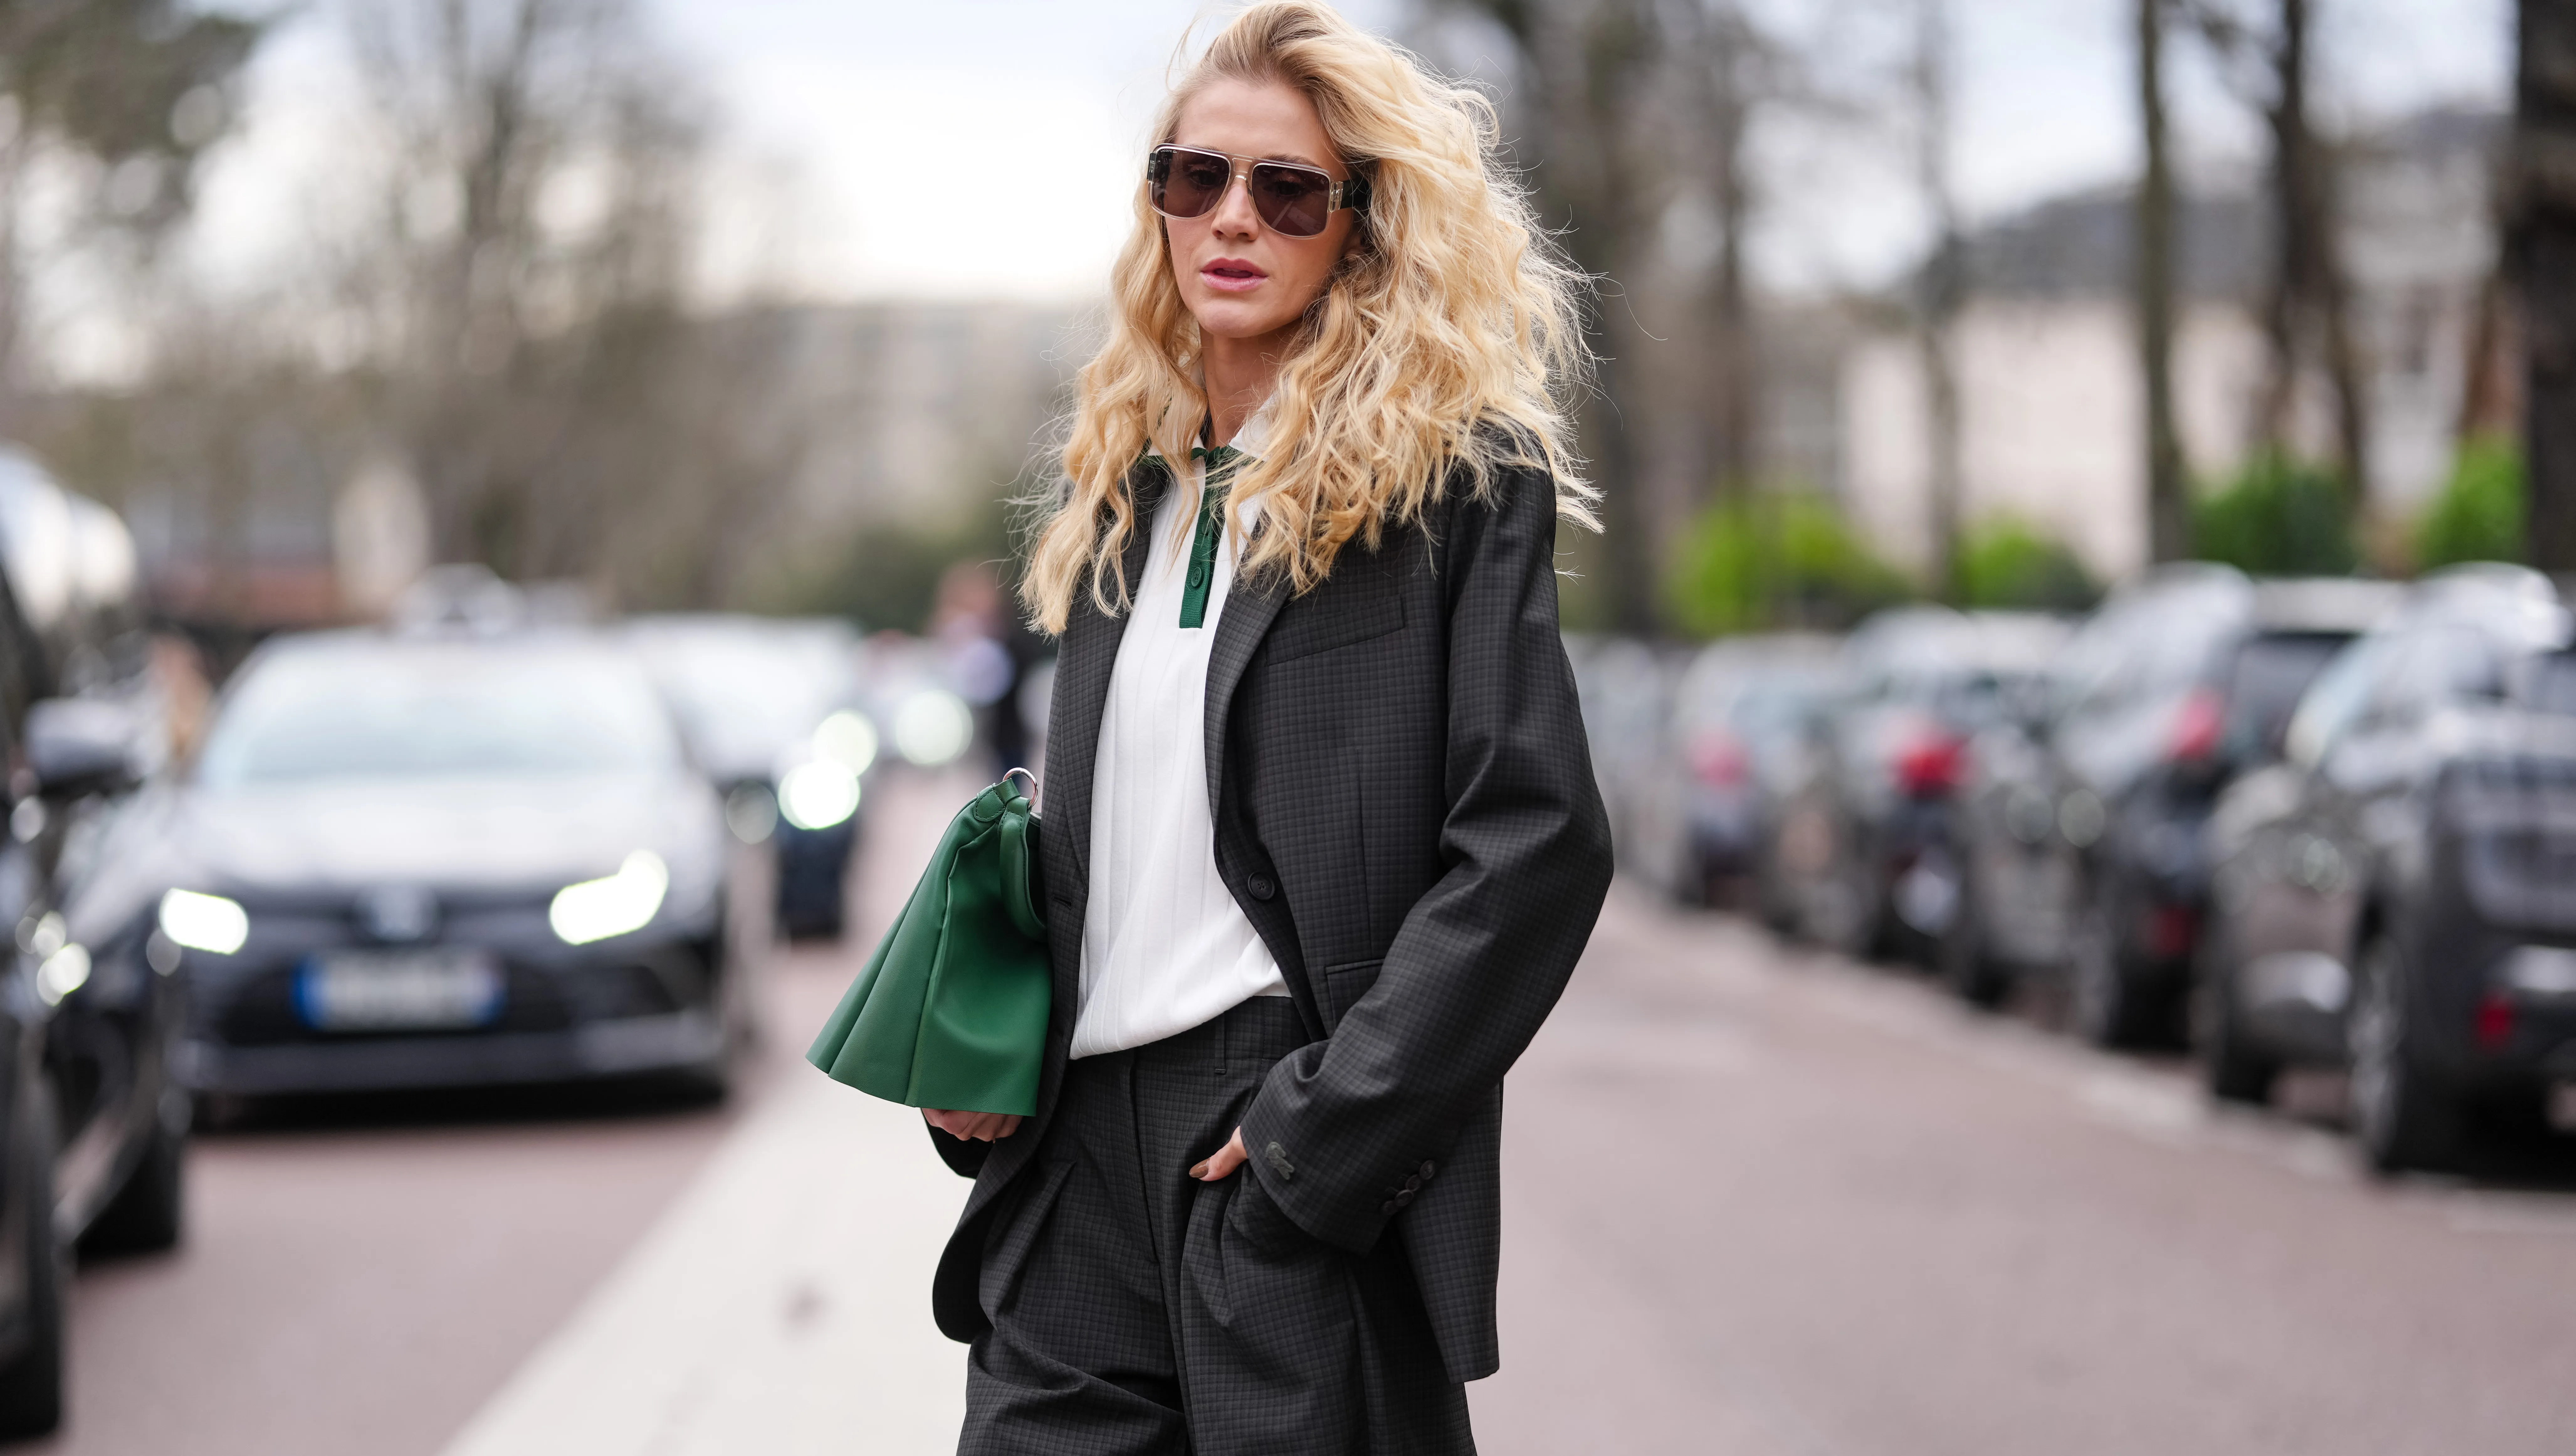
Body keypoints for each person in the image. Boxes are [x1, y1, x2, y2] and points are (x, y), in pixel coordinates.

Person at [921, 4, 1612, 1450]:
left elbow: (1533, 847)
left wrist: (1328, 1131)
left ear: (1356, 227)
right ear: (1159, 208)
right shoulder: (1124, 494)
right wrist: (989, 1058)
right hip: (1071, 1179)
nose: (1231, 218)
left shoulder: (1449, 491)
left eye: (1286, 190)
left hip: (1275, 1153)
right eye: (1195, 179)